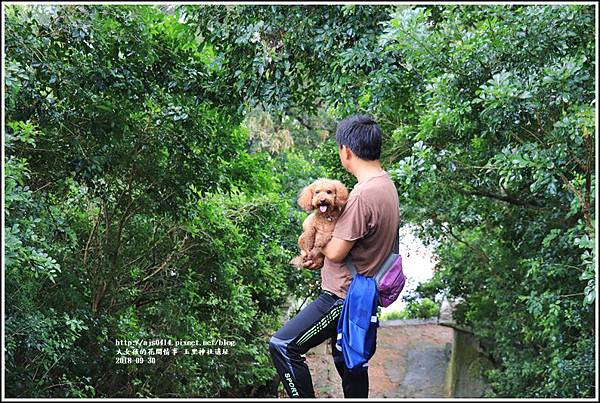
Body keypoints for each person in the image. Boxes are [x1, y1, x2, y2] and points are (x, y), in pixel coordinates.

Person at [268, 114, 400, 398]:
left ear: (346, 151)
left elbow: (338, 252)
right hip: (362, 295)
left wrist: (311, 232)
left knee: (282, 345)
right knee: (351, 365)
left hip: (342, 297)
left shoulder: (362, 195)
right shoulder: (386, 185)